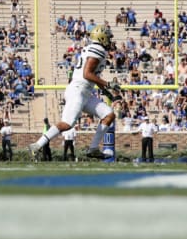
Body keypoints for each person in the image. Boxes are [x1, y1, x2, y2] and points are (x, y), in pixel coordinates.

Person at [29, 24, 120, 161]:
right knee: (67, 124)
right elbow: (87, 74)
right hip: (78, 90)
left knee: (108, 114)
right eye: (107, 37)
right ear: (101, 37)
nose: (109, 40)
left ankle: (93, 149)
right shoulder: (98, 49)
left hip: (84, 91)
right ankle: (37, 145)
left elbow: (91, 75)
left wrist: (105, 91)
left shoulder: (95, 49)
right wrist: (107, 84)